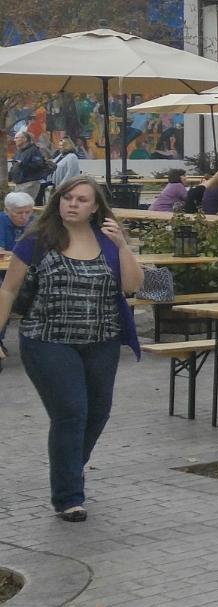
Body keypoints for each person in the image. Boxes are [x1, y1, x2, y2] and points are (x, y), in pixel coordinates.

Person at [0, 175, 144, 520]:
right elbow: (8, 290)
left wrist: (123, 246)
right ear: (57, 201)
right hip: (47, 340)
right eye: (67, 198)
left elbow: (134, 286)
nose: (73, 204)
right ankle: (68, 497)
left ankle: (69, 467)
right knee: (71, 412)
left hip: (102, 341)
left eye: (81, 199)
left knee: (98, 412)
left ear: (96, 207)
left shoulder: (108, 241)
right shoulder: (38, 239)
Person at [10, 132, 53, 200]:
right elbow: (14, 165)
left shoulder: (34, 150)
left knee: (23, 204)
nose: (14, 140)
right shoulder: (19, 151)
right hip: (19, 183)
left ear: (25, 139)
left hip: (29, 183)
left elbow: (38, 165)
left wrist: (22, 164)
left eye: (17, 138)